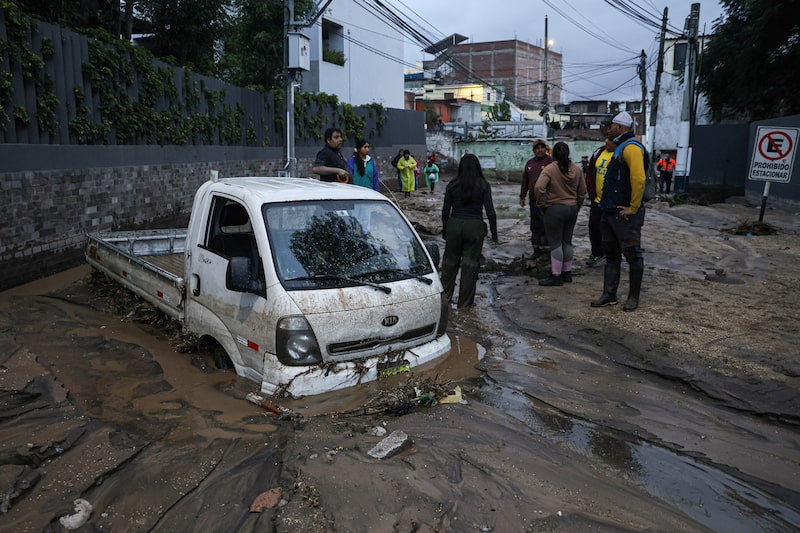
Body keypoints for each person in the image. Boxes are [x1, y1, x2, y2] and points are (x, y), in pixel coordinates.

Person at [591, 111, 647, 312]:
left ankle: (633, 298)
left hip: (624, 215)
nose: (609, 129)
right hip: (609, 211)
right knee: (611, 255)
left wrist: (633, 207)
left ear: (620, 128)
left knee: (633, 255)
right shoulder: (620, 147)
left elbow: (639, 179)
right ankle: (609, 295)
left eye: (612, 126)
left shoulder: (631, 148)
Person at [441, 153, 499, 308]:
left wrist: (446, 229)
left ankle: (444, 301)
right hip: (474, 227)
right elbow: (491, 212)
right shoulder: (483, 185)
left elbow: (445, 211)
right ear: (477, 167)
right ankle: (465, 304)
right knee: (470, 265)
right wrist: (494, 235)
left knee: (449, 263)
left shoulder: (452, 184)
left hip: (454, 224)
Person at [534, 142, 587, 286]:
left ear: (553, 154)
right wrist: (577, 205)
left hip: (555, 209)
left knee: (556, 243)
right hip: (572, 209)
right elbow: (582, 191)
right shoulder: (576, 169)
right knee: (567, 242)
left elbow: (539, 187)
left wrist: (542, 204)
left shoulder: (550, 169)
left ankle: (556, 276)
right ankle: (566, 273)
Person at [584, 120, 615, 266]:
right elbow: (590, 173)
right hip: (597, 201)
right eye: (606, 139)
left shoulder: (621, 154)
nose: (607, 142)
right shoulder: (599, 153)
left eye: (610, 140)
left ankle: (613, 255)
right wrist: (592, 193)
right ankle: (596, 252)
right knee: (594, 227)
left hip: (613, 203)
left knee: (612, 230)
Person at [519, 138, 553, 255]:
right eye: (537, 148)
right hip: (533, 201)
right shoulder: (530, 163)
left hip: (547, 201)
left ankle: (546, 253)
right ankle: (536, 251)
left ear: (545, 149)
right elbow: (525, 181)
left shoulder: (550, 162)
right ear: (534, 150)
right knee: (535, 227)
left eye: (542, 147)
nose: (540, 150)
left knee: (546, 227)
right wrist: (522, 197)